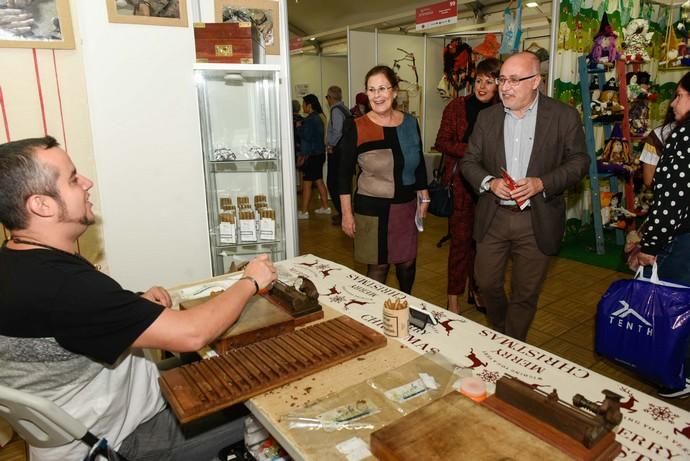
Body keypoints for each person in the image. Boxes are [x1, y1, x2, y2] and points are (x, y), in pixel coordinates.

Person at [0, 136, 277, 460]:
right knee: (268, 405)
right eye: (73, 179)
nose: (87, 183)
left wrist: (132, 306)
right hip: (122, 440)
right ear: (41, 205)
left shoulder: (18, 262)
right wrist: (250, 282)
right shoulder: (66, 288)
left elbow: (71, 321)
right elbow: (192, 333)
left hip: (100, 419)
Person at [460, 52, 589, 341]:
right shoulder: (487, 118)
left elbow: (579, 162)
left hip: (537, 219)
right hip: (494, 216)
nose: (505, 87)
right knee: (486, 282)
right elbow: (469, 162)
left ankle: (511, 346)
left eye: (514, 80)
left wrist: (542, 182)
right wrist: (490, 182)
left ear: (536, 82)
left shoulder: (563, 116)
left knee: (525, 293)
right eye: (502, 79)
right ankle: (502, 329)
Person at [338, 65, 429, 294]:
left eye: (382, 88)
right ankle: (374, 319)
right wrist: (347, 214)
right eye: (371, 90)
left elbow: (418, 164)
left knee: (407, 263)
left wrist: (424, 196)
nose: (377, 95)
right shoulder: (356, 126)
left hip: (405, 207)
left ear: (395, 91)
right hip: (372, 208)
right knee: (378, 267)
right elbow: (342, 173)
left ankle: (404, 308)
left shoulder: (410, 123)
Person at [631, 72, 690, 398]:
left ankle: (678, 375)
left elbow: (670, 200)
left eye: (680, 95)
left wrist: (650, 245)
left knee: (675, 308)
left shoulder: (683, 138)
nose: (673, 102)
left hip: (683, 241)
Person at [435, 57, 501, 314]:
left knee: (483, 245)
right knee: (461, 243)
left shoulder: (502, 111)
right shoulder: (456, 107)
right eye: (478, 81)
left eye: (490, 81)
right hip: (461, 185)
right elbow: (442, 141)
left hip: (490, 189)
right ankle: (453, 296)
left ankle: (477, 289)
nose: (482, 87)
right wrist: (475, 152)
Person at [297, 94, 330, 219]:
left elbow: (307, 136)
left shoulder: (311, 119)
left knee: (307, 183)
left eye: (304, 104)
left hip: (311, 156)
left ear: (309, 105)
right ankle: (326, 207)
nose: (302, 107)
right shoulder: (319, 117)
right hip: (319, 154)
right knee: (319, 181)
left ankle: (304, 211)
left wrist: (299, 128)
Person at [325, 85, 348, 225]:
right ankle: (343, 212)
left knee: (332, 183)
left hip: (337, 151)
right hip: (344, 151)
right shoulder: (344, 109)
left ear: (331, 98)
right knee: (340, 183)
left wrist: (330, 145)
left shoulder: (335, 110)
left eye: (327, 97)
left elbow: (337, 131)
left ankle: (343, 213)